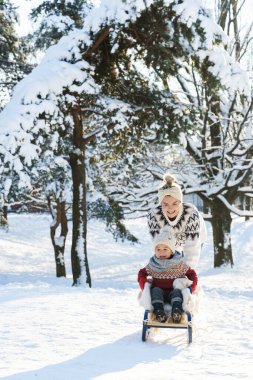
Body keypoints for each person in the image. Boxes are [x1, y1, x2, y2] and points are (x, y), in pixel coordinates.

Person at [147, 173, 206, 268]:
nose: (170, 208)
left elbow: (192, 251)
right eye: (165, 204)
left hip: (193, 239)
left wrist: (185, 275)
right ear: (160, 204)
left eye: (174, 203)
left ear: (180, 202)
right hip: (170, 241)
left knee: (185, 272)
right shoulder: (154, 215)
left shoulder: (191, 213)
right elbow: (160, 246)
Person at [138, 232, 198, 323]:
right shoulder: (153, 264)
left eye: (165, 249)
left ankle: (176, 312)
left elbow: (192, 274)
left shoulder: (178, 264)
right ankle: (159, 312)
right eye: (158, 249)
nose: (161, 252)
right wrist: (144, 286)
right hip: (159, 294)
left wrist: (191, 288)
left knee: (177, 292)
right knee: (155, 290)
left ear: (172, 250)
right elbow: (142, 273)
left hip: (174, 293)